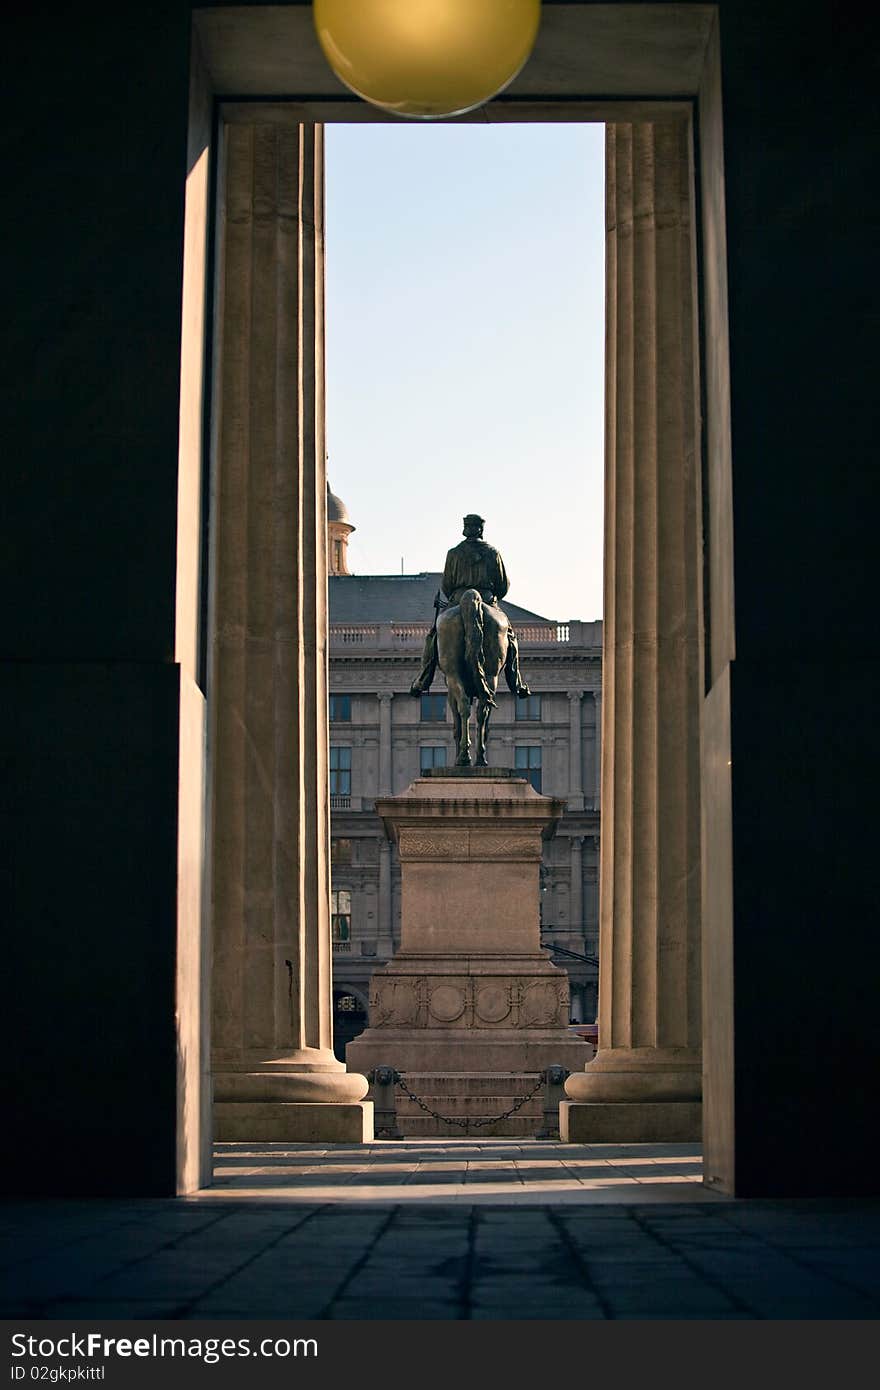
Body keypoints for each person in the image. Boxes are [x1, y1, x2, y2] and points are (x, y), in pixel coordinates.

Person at [410, 514, 531, 698]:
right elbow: (503, 585)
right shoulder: (493, 553)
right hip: (487, 600)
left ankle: (423, 678)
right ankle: (517, 681)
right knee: (510, 638)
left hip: (458, 599)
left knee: (433, 636)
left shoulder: (453, 553)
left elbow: (447, 585)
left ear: (465, 530)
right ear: (481, 530)